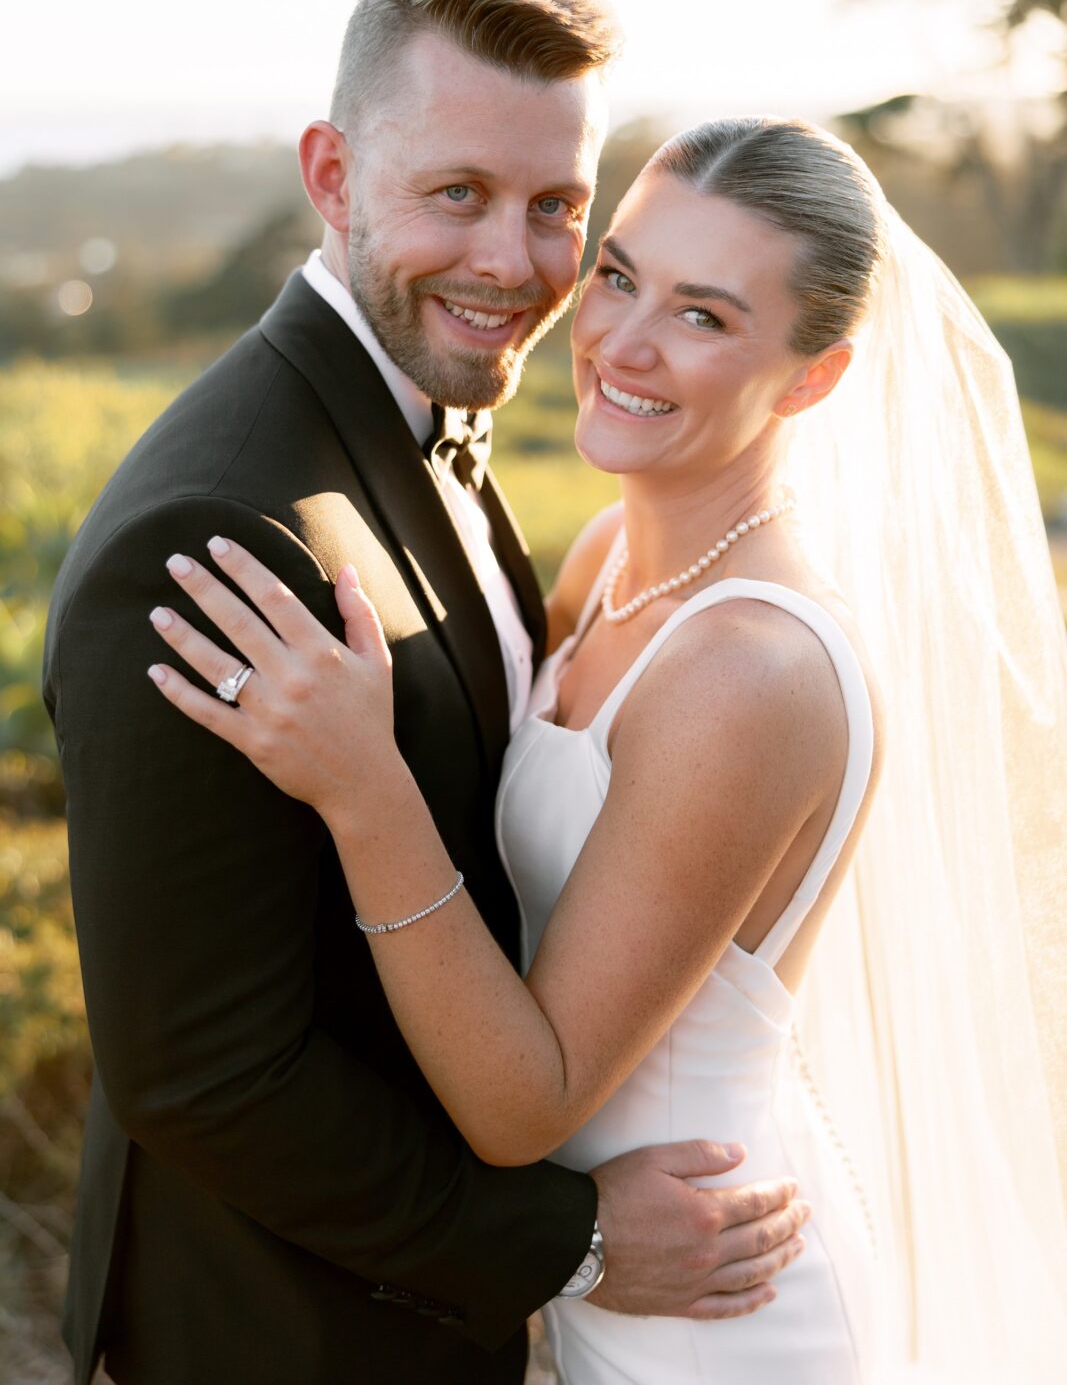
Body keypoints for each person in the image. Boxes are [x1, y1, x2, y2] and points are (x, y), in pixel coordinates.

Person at [150, 116, 1067, 1382]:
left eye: (702, 316)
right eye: (620, 275)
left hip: (719, 1311)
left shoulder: (746, 668)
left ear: (810, 378)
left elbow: (525, 1102)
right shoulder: (607, 563)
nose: (620, 343)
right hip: (620, 1281)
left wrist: (362, 786)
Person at [42, 0, 809, 1385]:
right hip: (283, 1338)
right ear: (332, 175)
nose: (512, 264)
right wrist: (570, 1243)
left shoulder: (418, 419)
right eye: (455, 193)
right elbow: (199, 1071)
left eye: (554, 206)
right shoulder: (216, 532)